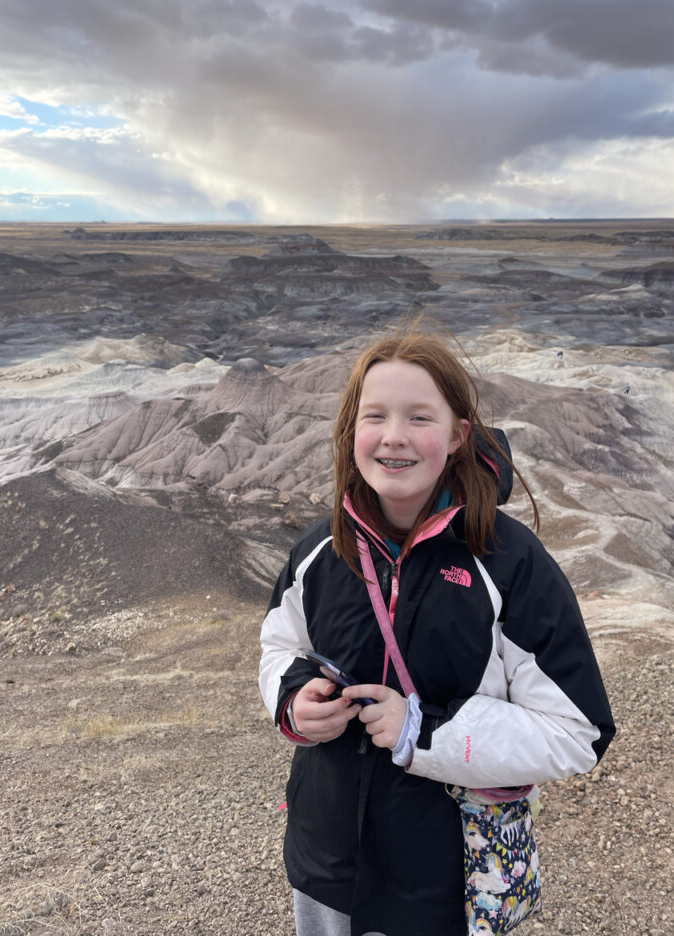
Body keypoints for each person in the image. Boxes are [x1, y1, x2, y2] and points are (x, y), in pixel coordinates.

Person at [259, 329, 615, 936]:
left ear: (457, 436)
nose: (394, 435)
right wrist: (292, 701)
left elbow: (578, 732)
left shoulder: (508, 563)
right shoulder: (321, 549)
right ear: (352, 432)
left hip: (442, 880)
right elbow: (281, 647)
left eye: (419, 417)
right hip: (326, 866)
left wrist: (423, 732)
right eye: (376, 416)